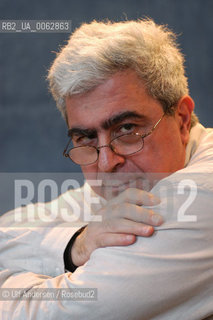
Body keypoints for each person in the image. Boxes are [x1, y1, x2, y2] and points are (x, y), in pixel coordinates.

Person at [0, 18, 213, 319]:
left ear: (181, 119)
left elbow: (60, 314)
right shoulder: (127, 186)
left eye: (127, 129)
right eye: (86, 138)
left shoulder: (202, 194)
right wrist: (77, 244)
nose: (105, 163)